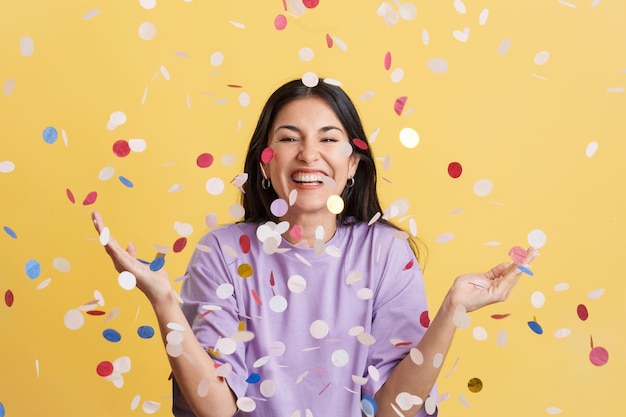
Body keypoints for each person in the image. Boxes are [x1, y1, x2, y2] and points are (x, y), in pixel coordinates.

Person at [91, 76, 538, 417]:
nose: (308, 155)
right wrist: (164, 301)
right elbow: (217, 410)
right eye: (289, 138)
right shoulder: (222, 253)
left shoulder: (385, 253)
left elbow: (392, 409)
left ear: (353, 165)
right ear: (265, 162)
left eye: (328, 139)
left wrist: (451, 311)